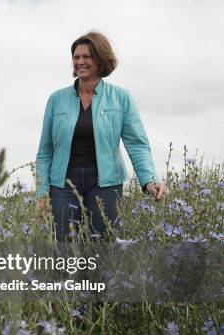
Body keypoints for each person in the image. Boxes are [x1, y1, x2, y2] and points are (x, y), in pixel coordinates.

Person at [35, 31, 165, 242]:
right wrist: (41, 192)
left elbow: (137, 144)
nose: (80, 61)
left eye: (87, 56)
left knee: (103, 249)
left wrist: (149, 181)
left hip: (106, 184)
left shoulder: (121, 97)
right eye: (76, 57)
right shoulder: (56, 100)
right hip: (63, 186)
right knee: (64, 249)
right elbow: (45, 151)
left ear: (101, 60)